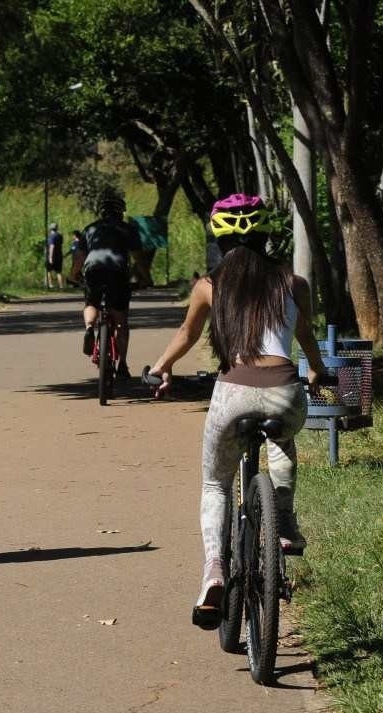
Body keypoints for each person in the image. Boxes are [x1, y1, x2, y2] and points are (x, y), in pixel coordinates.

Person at [145, 194, 326, 630]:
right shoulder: (293, 283)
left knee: (215, 483)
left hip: (232, 393)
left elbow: (188, 334)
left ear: (218, 239)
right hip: (284, 389)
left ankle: (213, 571)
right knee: (282, 440)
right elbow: (304, 336)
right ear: (267, 235)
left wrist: (160, 368)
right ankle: (283, 524)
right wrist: (318, 371)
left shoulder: (209, 286)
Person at [79, 191, 141, 380]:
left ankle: (89, 327)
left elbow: (79, 258)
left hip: (93, 270)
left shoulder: (89, 229)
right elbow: (139, 260)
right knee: (121, 321)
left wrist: (74, 275)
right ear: (121, 211)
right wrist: (145, 278)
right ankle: (122, 364)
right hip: (118, 271)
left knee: (92, 302)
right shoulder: (128, 229)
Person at [44, 222, 65, 290]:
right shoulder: (60, 236)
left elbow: (52, 246)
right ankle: (61, 286)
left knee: (49, 270)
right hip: (59, 255)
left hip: (52, 255)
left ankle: (50, 285)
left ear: (50, 228)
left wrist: (50, 257)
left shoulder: (51, 236)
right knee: (59, 271)